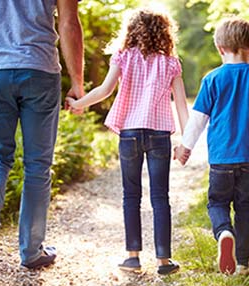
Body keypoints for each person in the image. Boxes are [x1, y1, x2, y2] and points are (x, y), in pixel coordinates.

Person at [66, 9, 189, 275]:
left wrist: (78, 103)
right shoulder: (171, 62)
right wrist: (185, 142)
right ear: (165, 33)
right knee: (160, 197)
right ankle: (164, 261)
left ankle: (132, 258)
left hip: (130, 134)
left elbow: (104, 90)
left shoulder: (123, 56)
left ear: (131, 31)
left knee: (130, 195)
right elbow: (181, 104)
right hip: (159, 135)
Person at [174, 18, 249, 275]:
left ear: (220, 48)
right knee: (246, 209)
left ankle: (224, 231)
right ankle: (243, 263)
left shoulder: (212, 79)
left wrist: (185, 147)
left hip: (221, 159)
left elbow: (198, 119)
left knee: (217, 203)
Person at [0, 0, 84, 270]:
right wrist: (77, 82)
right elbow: (68, 22)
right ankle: (32, 252)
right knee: (37, 165)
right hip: (39, 70)